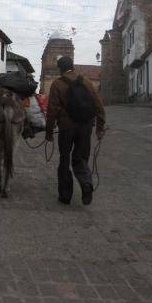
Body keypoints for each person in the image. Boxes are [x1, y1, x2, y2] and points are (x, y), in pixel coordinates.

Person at [45, 56, 106, 206]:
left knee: (64, 159)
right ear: (72, 66)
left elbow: (52, 110)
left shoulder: (57, 84)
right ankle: (86, 184)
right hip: (85, 127)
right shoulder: (86, 82)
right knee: (80, 158)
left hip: (66, 127)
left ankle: (65, 196)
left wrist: (48, 132)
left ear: (60, 69)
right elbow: (99, 106)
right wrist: (99, 128)